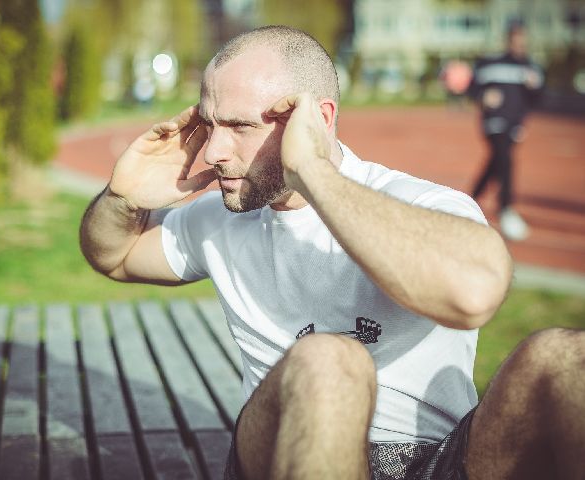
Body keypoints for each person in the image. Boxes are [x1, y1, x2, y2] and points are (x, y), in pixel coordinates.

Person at [80, 26, 584, 480]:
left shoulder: (422, 204)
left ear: (318, 120)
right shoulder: (218, 220)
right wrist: (123, 197)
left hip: (438, 461)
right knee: (330, 360)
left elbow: (475, 295)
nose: (213, 151)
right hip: (285, 449)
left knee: (563, 358)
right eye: (210, 124)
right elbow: (115, 255)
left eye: (240, 126)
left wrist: (313, 172)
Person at [467, 22, 544, 241]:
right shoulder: (489, 63)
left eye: (522, 40)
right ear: (508, 39)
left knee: (496, 163)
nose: (519, 44)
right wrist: (484, 97)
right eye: (515, 39)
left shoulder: (531, 67)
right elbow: (473, 89)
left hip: (515, 127)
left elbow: (538, 99)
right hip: (493, 123)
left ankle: (470, 200)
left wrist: (534, 86)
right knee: (505, 160)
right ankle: (506, 209)